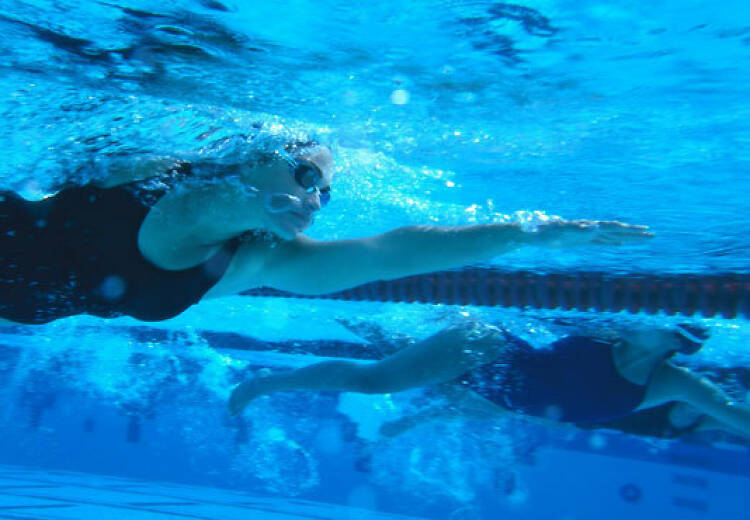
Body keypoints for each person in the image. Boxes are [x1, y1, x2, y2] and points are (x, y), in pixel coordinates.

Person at [0, 129, 651, 325]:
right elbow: (189, 213)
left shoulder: (266, 261)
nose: (321, 200)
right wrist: (260, 208)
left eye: (329, 191)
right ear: (256, 160)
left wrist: (528, 234)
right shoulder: (158, 170)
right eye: (309, 177)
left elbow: (388, 253)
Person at [227, 321, 750, 439]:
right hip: (486, 348)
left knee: (483, 408)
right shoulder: (603, 327)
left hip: (503, 393)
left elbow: (737, 416)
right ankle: (265, 384)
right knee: (377, 379)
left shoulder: (675, 384)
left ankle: (382, 338)